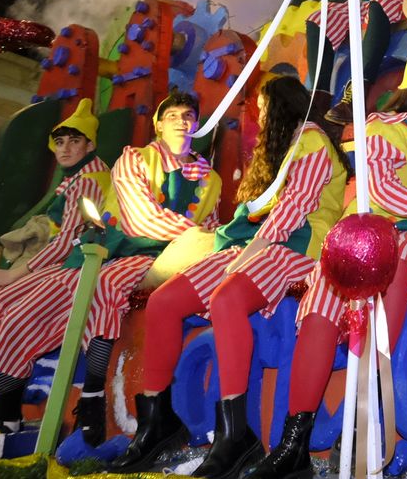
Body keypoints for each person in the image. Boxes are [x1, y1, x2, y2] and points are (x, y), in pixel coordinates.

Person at [248, 20, 407, 479]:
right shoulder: (383, 127)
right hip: (366, 234)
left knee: (383, 321)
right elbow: (385, 193)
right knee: (319, 314)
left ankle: (359, 430)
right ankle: (294, 442)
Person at [112, 76, 347, 475]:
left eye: (264, 107)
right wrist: (233, 249)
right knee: (164, 302)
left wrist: (248, 253)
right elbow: (255, 215)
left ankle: (234, 433)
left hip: (296, 249)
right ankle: (156, 421)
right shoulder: (281, 151)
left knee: (227, 300)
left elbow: (295, 210)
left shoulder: (310, 141)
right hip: (257, 245)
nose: (260, 115)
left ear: (281, 106)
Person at [0, 92, 220, 448]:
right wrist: (195, 234)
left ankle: (90, 398)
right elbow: (140, 219)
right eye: (171, 115)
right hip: (109, 252)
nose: (180, 121)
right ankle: (5, 414)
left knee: (98, 287)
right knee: (12, 314)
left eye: (188, 115)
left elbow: (213, 232)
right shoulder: (135, 160)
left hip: (151, 262)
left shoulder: (210, 178)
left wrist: (204, 241)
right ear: (158, 123)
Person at [0, 99, 110, 440]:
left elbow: (69, 242)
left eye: (75, 141)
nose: (66, 148)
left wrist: (14, 274)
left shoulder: (89, 181)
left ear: (90, 145)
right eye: (60, 141)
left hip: (70, 270)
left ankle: (5, 415)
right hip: (49, 265)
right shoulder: (74, 178)